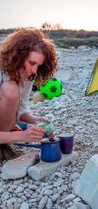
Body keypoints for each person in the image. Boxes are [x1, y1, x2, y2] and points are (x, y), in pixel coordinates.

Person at [0, 28, 58, 160]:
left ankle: (7, 139)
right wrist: (22, 136)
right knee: (11, 88)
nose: (34, 70)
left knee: (13, 90)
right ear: (17, 57)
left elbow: (21, 109)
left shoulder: (27, 75)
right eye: (32, 63)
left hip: (4, 127)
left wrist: (36, 119)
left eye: (38, 65)